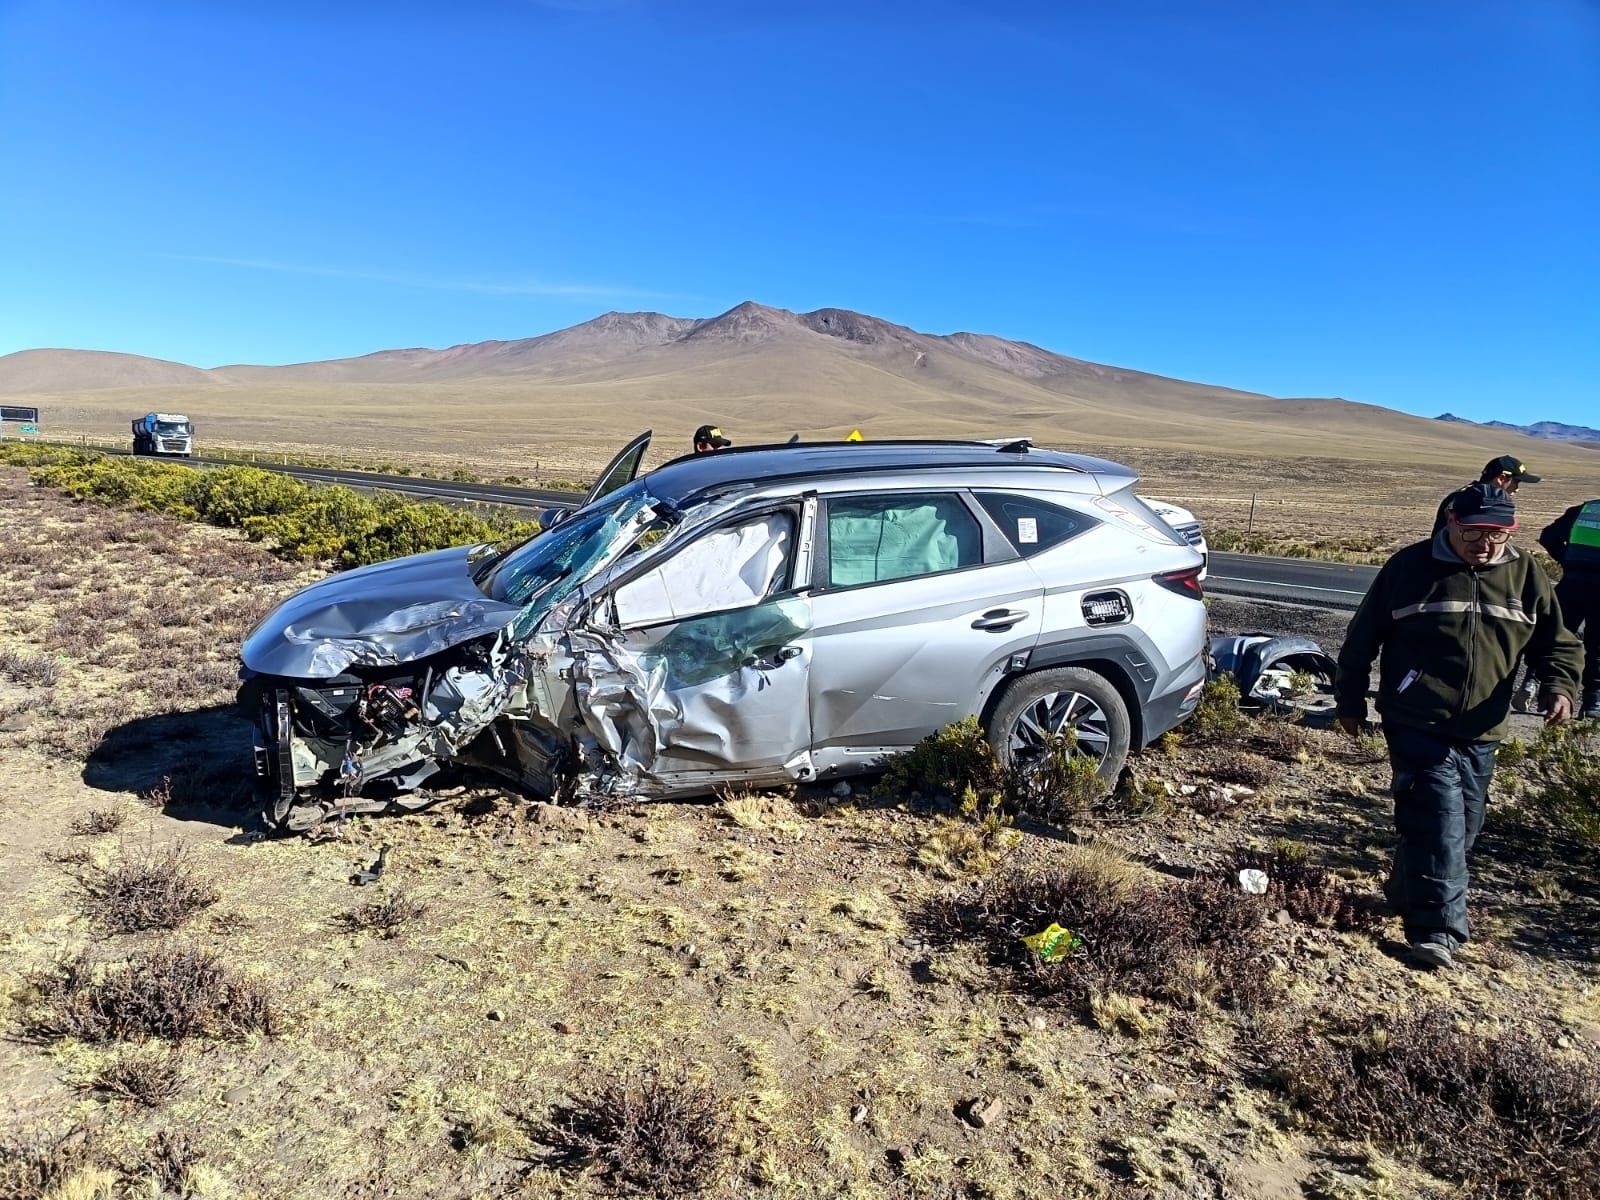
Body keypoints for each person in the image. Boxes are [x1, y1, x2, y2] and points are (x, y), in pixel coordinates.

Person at [1335, 482, 1582, 971]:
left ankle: (1407, 888)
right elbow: (1362, 637)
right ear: (1451, 521)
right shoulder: (1410, 567)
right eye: (1474, 531)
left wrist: (1560, 687)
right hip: (1415, 717)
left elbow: (1558, 643)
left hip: (1482, 727)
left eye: (1497, 533)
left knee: (1464, 825)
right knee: (1441, 819)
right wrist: (1349, 701)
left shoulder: (1525, 575)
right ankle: (1436, 932)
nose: (1484, 543)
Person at [1539, 496, 1600, 718]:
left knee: (1556, 635)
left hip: (1572, 583)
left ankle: (1535, 683)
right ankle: (1593, 702)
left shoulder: (1585, 509)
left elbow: (1548, 536)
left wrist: (1568, 560)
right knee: (1597, 646)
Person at [1431, 454, 1540, 533]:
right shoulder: (1470, 500)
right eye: (1516, 482)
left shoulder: (1474, 497)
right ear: (1501, 479)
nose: (1517, 489)